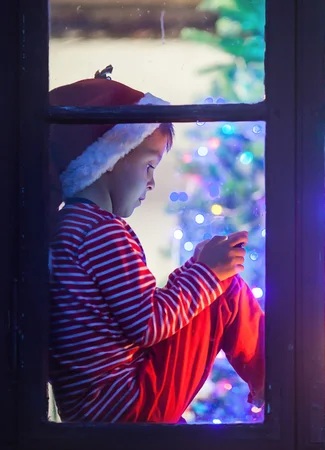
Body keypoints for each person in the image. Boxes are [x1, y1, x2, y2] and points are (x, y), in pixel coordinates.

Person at [47, 67, 265, 423]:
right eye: (149, 166)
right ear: (111, 159)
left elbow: (135, 316)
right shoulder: (102, 232)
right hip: (127, 404)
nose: (151, 183)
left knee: (212, 284)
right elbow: (148, 324)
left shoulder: (71, 225)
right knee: (225, 287)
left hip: (99, 407)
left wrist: (196, 272)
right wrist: (206, 273)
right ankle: (280, 383)